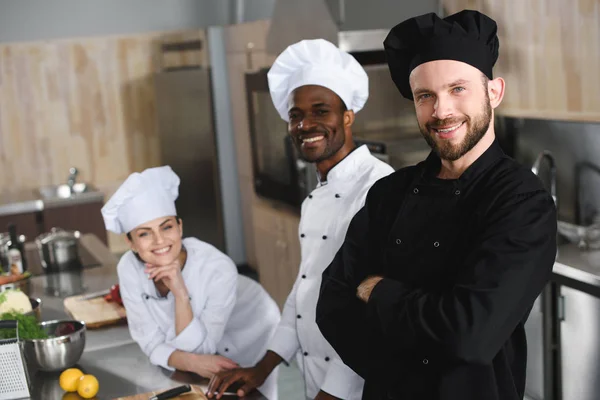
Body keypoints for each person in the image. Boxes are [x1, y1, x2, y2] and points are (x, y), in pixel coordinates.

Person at [316, 10, 558, 400]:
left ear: (493, 92)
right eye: (425, 96)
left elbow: (472, 334)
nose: (441, 111)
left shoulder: (521, 202)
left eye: (458, 89)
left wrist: (378, 291)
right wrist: (407, 369)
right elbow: (332, 305)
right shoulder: (389, 193)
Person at [208, 39, 394, 400]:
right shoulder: (314, 200)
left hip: (359, 387)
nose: (305, 123)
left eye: (320, 111)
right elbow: (304, 290)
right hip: (317, 381)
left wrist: (334, 393)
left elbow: (371, 309)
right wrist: (262, 369)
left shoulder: (378, 188)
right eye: (296, 115)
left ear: (347, 116)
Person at [101, 166, 281, 399]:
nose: (159, 241)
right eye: (144, 233)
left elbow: (200, 349)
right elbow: (150, 343)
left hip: (249, 325)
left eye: (167, 227)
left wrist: (180, 293)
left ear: (180, 227)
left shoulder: (217, 267)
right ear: (131, 243)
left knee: (247, 395)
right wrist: (190, 362)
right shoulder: (128, 268)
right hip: (197, 342)